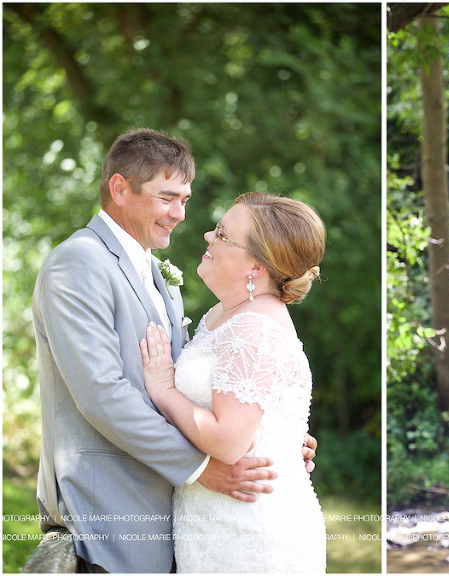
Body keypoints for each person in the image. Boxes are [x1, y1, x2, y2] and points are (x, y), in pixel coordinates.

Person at [32, 128, 316, 573]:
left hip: (187, 517)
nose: (181, 215)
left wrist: (272, 437)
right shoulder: (79, 262)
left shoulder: (155, 271)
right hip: (110, 509)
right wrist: (202, 468)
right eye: (168, 198)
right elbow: (101, 392)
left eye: (185, 199)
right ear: (120, 188)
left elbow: (192, 383)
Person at [140, 192, 327, 572]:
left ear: (256, 266)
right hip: (217, 521)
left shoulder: (254, 327)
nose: (208, 236)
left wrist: (164, 390)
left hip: (250, 533)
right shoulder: (222, 315)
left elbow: (228, 440)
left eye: (223, 235)